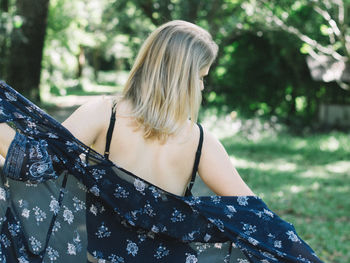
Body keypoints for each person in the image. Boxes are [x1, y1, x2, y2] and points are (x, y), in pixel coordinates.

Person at [0, 20, 323, 262]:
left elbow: (34, 161)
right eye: (201, 78)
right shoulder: (201, 141)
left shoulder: (103, 114)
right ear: (185, 79)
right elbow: (256, 219)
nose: (202, 87)